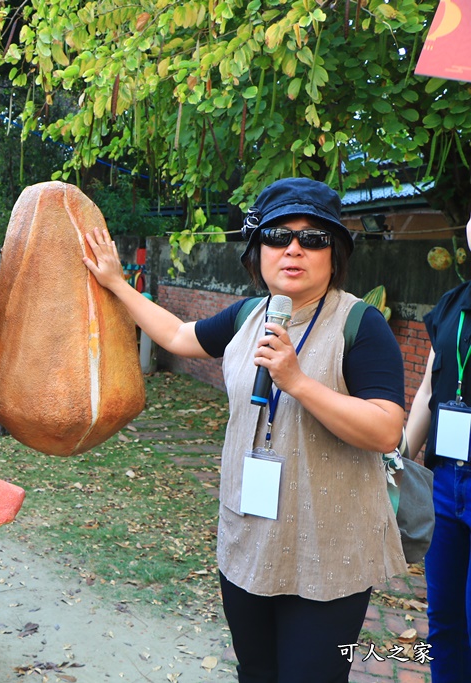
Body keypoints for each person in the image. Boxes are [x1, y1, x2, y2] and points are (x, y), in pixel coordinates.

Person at [83, 177, 407, 683]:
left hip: (329, 552)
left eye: (313, 238)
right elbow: (175, 334)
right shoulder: (248, 316)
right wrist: (116, 283)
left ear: (334, 254)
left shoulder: (361, 325)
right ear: (257, 252)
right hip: (249, 539)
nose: (294, 249)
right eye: (278, 236)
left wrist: (297, 382)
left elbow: (387, 430)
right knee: (256, 672)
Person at [406, 212, 471, 683]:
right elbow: (431, 383)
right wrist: (402, 454)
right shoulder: (452, 304)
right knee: (445, 620)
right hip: (447, 484)